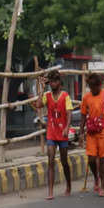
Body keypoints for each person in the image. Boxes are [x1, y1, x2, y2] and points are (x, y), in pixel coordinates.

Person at [34, 70, 72, 200]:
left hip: (62, 132)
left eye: (55, 81)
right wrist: (41, 90)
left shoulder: (65, 96)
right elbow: (38, 105)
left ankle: (68, 185)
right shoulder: (47, 95)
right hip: (51, 132)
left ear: (59, 83)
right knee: (50, 160)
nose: (53, 84)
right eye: (51, 82)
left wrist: (67, 127)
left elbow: (69, 113)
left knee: (64, 160)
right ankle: (50, 191)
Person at [79, 73, 104, 197]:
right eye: (91, 87)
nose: (93, 89)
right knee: (91, 159)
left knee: (103, 158)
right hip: (91, 131)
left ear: (99, 85)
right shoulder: (86, 98)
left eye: (95, 87)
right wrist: (80, 133)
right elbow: (83, 115)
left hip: (103, 130)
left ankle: (102, 186)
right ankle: (96, 177)